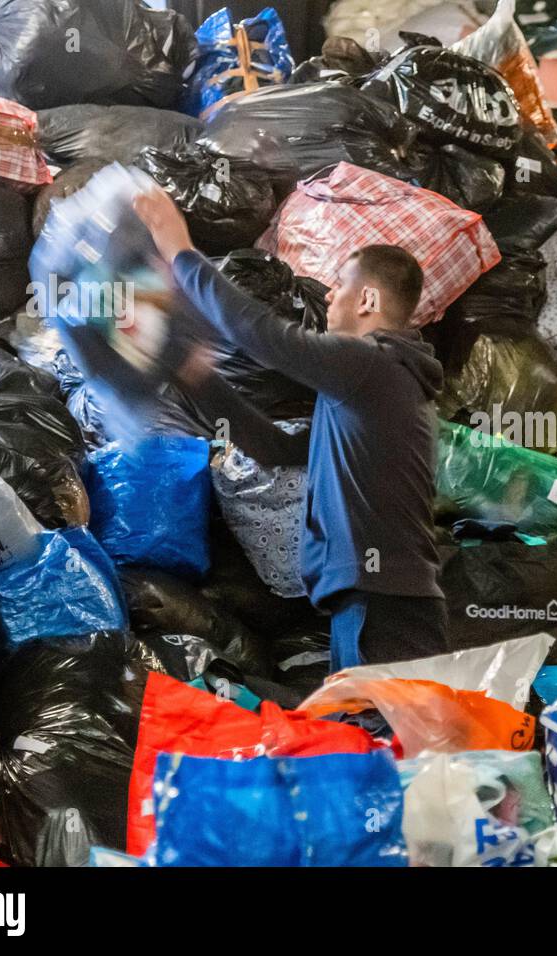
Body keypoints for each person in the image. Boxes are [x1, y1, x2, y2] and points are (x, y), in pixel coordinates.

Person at [132, 187, 449, 672]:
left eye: (339, 286)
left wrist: (180, 250)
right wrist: (199, 377)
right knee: (365, 739)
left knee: (393, 737)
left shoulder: (373, 364)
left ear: (367, 298)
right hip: (368, 595)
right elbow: (276, 448)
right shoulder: (372, 389)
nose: (329, 297)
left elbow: (266, 337)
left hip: (386, 596)